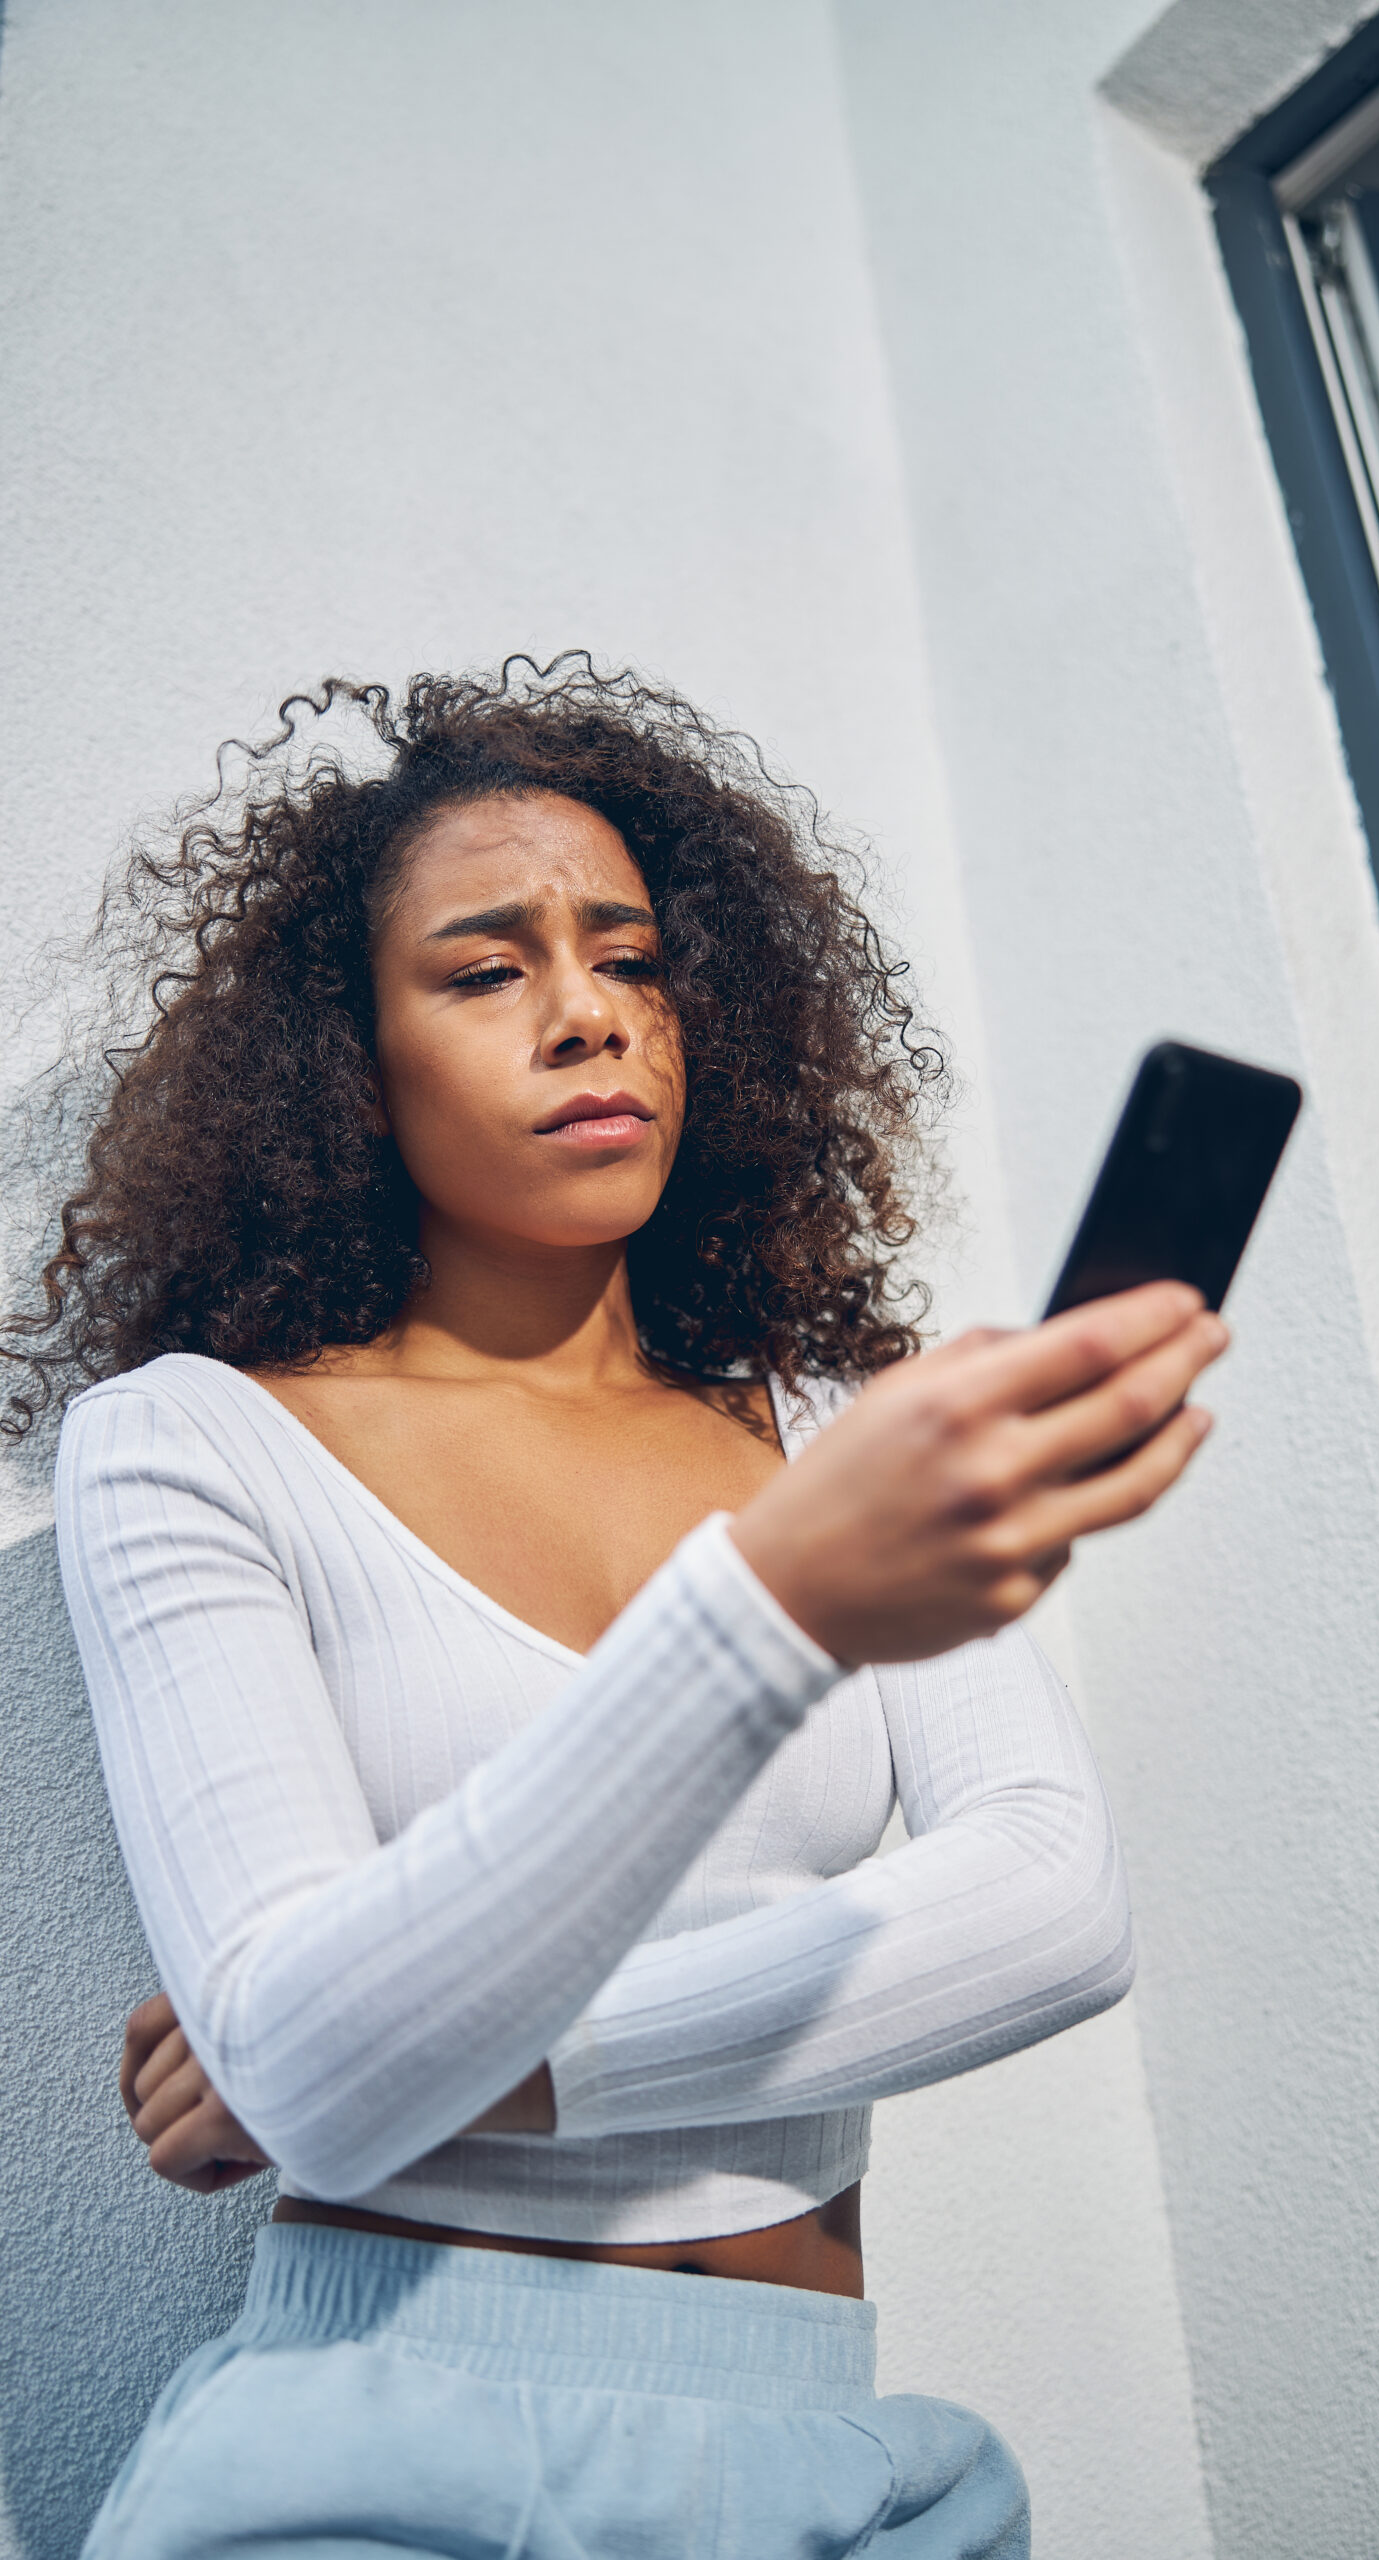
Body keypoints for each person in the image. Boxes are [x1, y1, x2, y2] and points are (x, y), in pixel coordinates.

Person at [10, 657, 1227, 2559]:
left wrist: (459, 2057)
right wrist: (775, 1601)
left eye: (634, 961)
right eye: (489, 971)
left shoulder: (831, 1430)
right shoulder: (190, 1450)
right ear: (352, 1053)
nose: (590, 1016)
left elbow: (1056, 1906)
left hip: (836, 2460)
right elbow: (316, 2073)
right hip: (382, 2453)